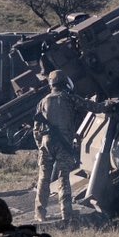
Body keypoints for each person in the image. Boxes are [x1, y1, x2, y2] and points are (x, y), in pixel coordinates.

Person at [32, 71, 83, 224]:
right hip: (63, 144)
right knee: (63, 179)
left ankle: (40, 214)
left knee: (43, 178)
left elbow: (36, 128)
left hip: (46, 143)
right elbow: (91, 106)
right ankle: (66, 214)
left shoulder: (42, 101)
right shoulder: (69, 98)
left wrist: (40, 145)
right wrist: (108, 106)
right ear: (64, 82)